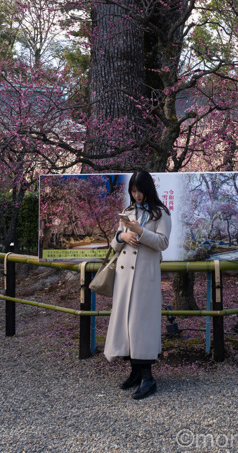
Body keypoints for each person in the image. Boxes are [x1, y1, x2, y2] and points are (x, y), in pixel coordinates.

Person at [104, 170, 171, 400]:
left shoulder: (160, 213)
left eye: (139, 190)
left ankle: (148, 378)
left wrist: (139, 232)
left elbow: (163, 242)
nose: (136, 195)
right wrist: (122, 237)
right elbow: (115, 244)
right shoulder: (127, 212)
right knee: (126, 325)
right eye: (133, 191)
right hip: (125, 278)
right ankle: (134, 372)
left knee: (141, 326)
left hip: (144, 279)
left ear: (148, 189)